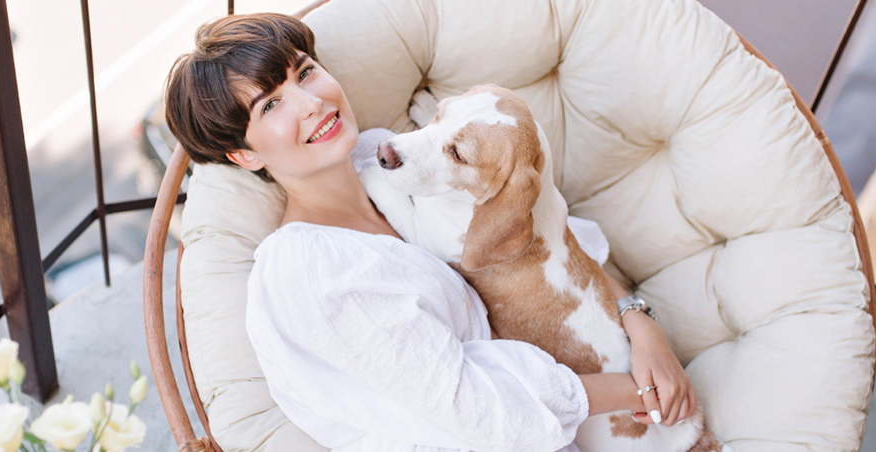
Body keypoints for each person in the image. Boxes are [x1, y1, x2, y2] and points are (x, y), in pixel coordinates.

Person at [164, 13, 694, 452]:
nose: (311, 103)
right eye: (271, 104)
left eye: (303, 73)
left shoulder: (386, 159)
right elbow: (474, 405)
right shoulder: (306, 268)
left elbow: (541, 236)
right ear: (244, 154)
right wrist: (635, 389)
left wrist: (640, 325)